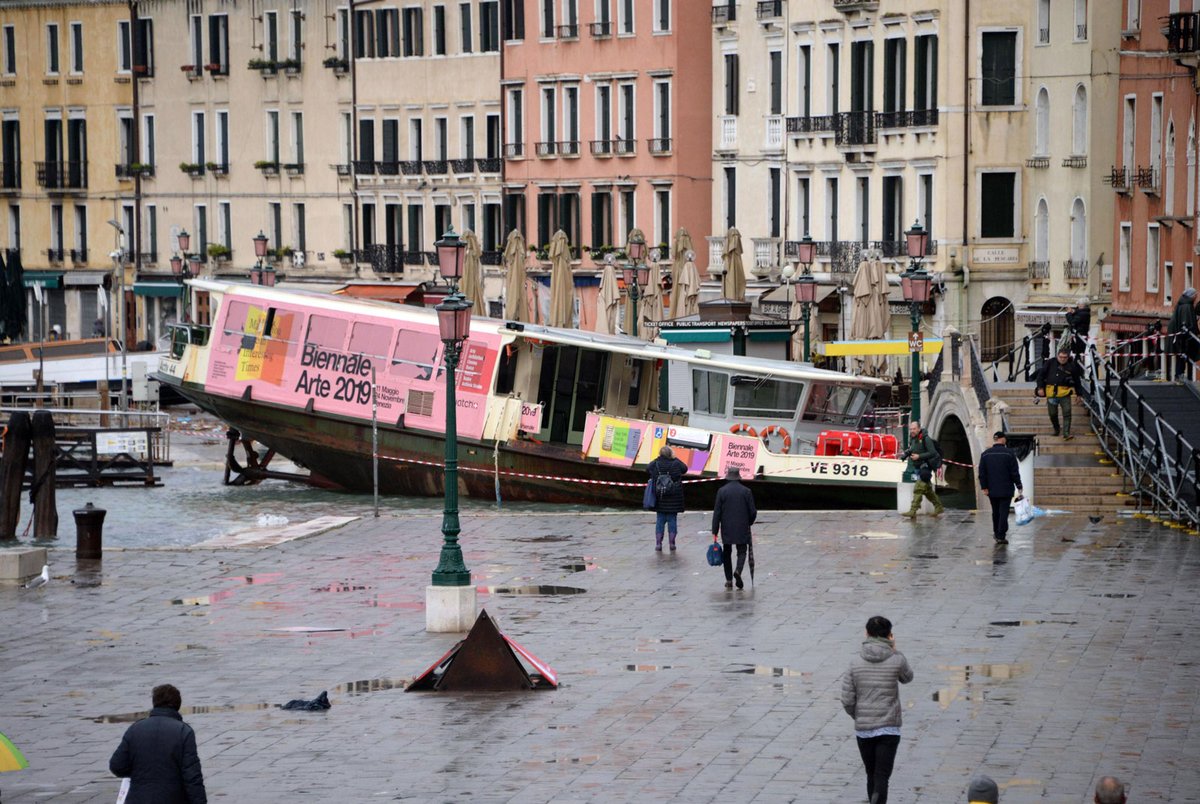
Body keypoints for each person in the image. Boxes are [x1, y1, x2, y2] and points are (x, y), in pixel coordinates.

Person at [841, 615, 914, 804]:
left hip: (864, 730)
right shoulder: (896, 659)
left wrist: (858, 715)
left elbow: (847, 699)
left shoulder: (854, 663)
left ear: (866, 633)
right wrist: (895, 650)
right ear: (889, 635)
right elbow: (907, 677)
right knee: (882, 776)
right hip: (889, 728)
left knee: (870, 773)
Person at [109, 684, 207, 803]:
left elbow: (117, 766)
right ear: (177, 705)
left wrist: (140, 774)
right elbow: (192, 777)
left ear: (155, 703)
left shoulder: (135, 729)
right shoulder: (183, 732)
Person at [711, 467, 756, 589]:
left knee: (727, 552)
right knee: (742, 551)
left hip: (727, 527)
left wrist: (715, 530)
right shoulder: (746, 491)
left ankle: (729, 580)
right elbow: (753, 512)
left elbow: (717, 513)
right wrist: (749, 522)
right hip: (742, 526)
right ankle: (738, 570)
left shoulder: (722, 491)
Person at [978, 431, 1023, 546]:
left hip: (992, 489)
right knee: (1004, 511)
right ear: (1003, 439)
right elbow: (1014, 472)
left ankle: (996, 532)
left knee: (995, 511)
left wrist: (984, 487)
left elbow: (982, 473)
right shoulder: (1009, 453)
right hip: (1006, 489)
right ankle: (1001, 535)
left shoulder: (985, 454)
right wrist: (1019, 486)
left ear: (995, 440)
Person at [1035, 346, 1083, 440]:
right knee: (1052, 414)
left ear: (1068, 357)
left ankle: (1066, 433)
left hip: (1065, 393)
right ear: (1057, 356)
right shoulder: (1050, 362)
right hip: (1051, 392)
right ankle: (1056, 429)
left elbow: (1077, 381)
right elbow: (1040, 375)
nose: (1062, 359)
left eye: (1065, 357)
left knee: (1067, 413)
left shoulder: (1072, 366)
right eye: (1060, 357)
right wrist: (1040, 387)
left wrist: (1079, 394)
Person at [647, 445, 687, 551]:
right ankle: (672, 543)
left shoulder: (656, 464)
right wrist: (675, 458)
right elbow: (685, 469)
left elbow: (648, 468)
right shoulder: (676, 463)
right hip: (674, 498)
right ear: (670, 454)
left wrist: (657, 458)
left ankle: (658, 544)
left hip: (660, 498)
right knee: (672, 520)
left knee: (660, 520)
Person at [902, 420, 944, 518]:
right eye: (911, 429)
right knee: (927, 490)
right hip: (917, 466)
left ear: (919, 429)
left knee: (918, 488)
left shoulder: (926, 439)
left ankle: (913, 511)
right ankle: (939, 507)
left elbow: (933, 452)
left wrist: (919, 456)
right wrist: (906, 455)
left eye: (914, 429)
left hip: (925, 466)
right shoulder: (912, 438)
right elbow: (913, 448)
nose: (912, 431)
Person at [1167, 287, 1198, 379]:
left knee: (1182, 356)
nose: (1196, 297)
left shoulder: (1182, 304)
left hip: (1181, 337)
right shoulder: (1187, 306)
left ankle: (1180, 374)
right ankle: (1183, 375)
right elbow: (1187, 322)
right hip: (1185, 338)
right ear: (1191, 296)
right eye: (1195, 295)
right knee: (1185, 355)